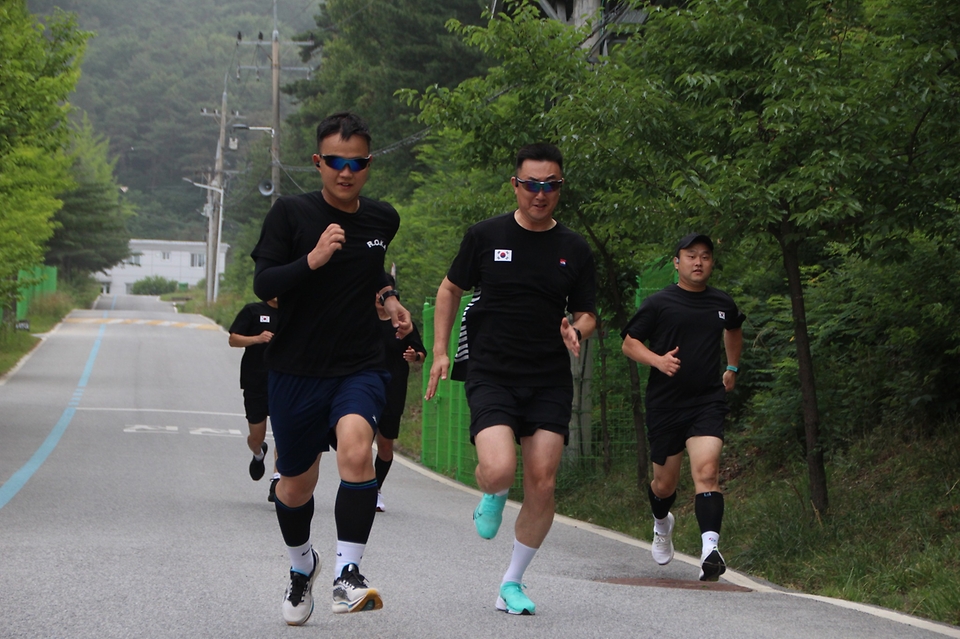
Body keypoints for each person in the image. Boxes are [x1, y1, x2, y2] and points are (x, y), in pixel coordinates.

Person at [251, 111, 411, 626]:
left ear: (368, 164)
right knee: (293, 488)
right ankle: (304, 568)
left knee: (357, 447)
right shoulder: (290, 215)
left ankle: (348, 573)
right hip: (295, 369)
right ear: (319, 162)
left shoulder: (383, 218)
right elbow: (265, 282)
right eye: (336, 161)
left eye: (357, 162)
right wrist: (312, 260)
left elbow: (369, 276)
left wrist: (389, 299)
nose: (346, 171)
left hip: (358, 364)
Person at [426, 142, 597, 616]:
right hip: (492, 372)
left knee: (542, 482)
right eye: (532, 185)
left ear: (560, 187)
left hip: (547, 378)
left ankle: (512, 582)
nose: (541, 195)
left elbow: (587, 313)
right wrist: (440, 352)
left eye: (551, 185)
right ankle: (494, 490)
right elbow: (449, 288)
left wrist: (575, 330)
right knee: (501, 469)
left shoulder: (574, 249)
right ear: (515, 185)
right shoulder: (485, 235)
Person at [620, 233, 745, 582]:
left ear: (711, 263)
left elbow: (733, 328)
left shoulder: (721, 302)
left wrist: (731, 367)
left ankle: (710, 550)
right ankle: (662, 523)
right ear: (677, 262)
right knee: (664, 485)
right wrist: (657, 361)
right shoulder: (660, 303)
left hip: (706, 399)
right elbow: (630, 344)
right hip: (666, 404)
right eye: (691, 256)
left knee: (707, 472)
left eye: (705, 256)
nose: (698, 262)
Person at [373, 275, 426, 513]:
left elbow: (421, 353)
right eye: (376, 292)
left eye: (384, 293)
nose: (379, 297)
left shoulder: (402, 323)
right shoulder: (361, 319)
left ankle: (375, 489)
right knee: (360, 440)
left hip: (394, 388)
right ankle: (360, 487)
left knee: (385, 445)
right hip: (365, 387)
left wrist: (415, 356)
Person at [227, 297, 280, 502]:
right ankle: (258, 453)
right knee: (256, 437)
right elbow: (233, 339)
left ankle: (277, 479)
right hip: (255, 381)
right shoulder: (253, 310)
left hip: (283, 382)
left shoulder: (293, 311)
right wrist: (256, 339)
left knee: (282, 434)